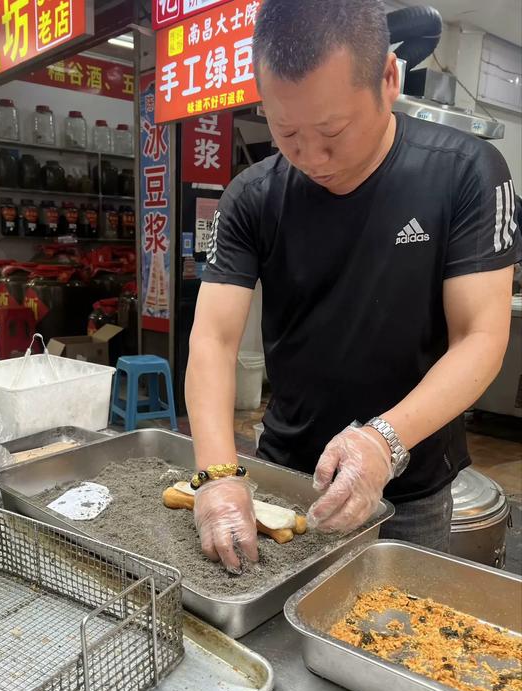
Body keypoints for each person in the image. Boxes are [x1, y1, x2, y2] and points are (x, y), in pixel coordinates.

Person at [185, 0, 520, 573]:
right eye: (285, 131)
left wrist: (382, 443)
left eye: (332, 131)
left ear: (388, 79)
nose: (312, 157)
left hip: (409, 488)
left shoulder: (466, 172)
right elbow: (213, 341)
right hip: (285, 474)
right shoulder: (252, 195)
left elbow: (480, 336)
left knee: (399, 639)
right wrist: (216, 478)